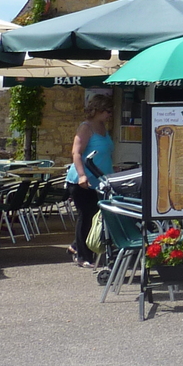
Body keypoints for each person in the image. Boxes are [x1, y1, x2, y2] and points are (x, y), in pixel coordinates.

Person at [65, 94, 114, 268]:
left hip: (100, 179)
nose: (110, 114)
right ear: (98, 110)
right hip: (83, 180)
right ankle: (82, 256)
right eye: (108, 111)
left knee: (96, 216)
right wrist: (81, 175)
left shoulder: (103, 127)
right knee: (86, 216)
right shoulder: (86, 128)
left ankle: (76, 245)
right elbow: (76, 153)